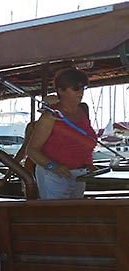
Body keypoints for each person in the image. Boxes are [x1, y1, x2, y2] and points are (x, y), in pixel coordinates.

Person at [27, 68, 97, 199]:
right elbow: (31, 150)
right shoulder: (51, 117)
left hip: (80, 175)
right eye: (75, 88)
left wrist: (89, 164)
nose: (80, 92)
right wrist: (53, 166)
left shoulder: (82, 112)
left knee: (75, 215)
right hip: (54, 176)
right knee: (58, 216)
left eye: (83, 88)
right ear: (61, 91)